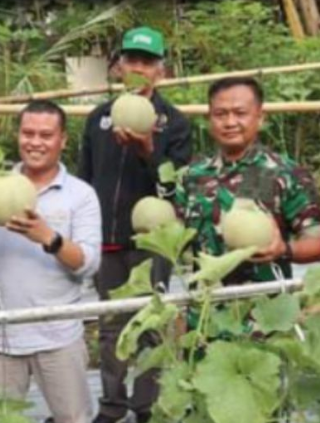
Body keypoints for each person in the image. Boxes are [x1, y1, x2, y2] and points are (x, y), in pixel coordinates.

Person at [0, 100, 101, 423]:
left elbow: (89, 263)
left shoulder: (81, 194)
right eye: (28, 133)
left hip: (59, 334)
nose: (35, 142)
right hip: (2, 335)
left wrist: (50, 238)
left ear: (62, 140)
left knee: (74, 419)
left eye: (46, 135)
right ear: (18, 135)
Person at [78, 26, 192, 423]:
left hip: (151, 243)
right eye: (132, 61)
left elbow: (174, 186)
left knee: (149, 324)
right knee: (110, 326)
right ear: (119, 67)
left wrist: (148, 152)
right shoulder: (99, 118)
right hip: (107, 240)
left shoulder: (174, 123)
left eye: (147, 62)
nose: (139, 69)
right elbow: (85, 180)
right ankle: (112, 406)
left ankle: (146, 407)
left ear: (160, 70)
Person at [176, 76, 320, 285]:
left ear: (260, 117)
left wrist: (284, 250)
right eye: (220, 114)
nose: (230, 122)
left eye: (240, 113)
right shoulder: (192, 176)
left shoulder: (284, 172)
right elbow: (175, 236)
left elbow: (319, 243)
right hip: (206, 310)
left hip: (266, 310)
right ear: (209, 119)